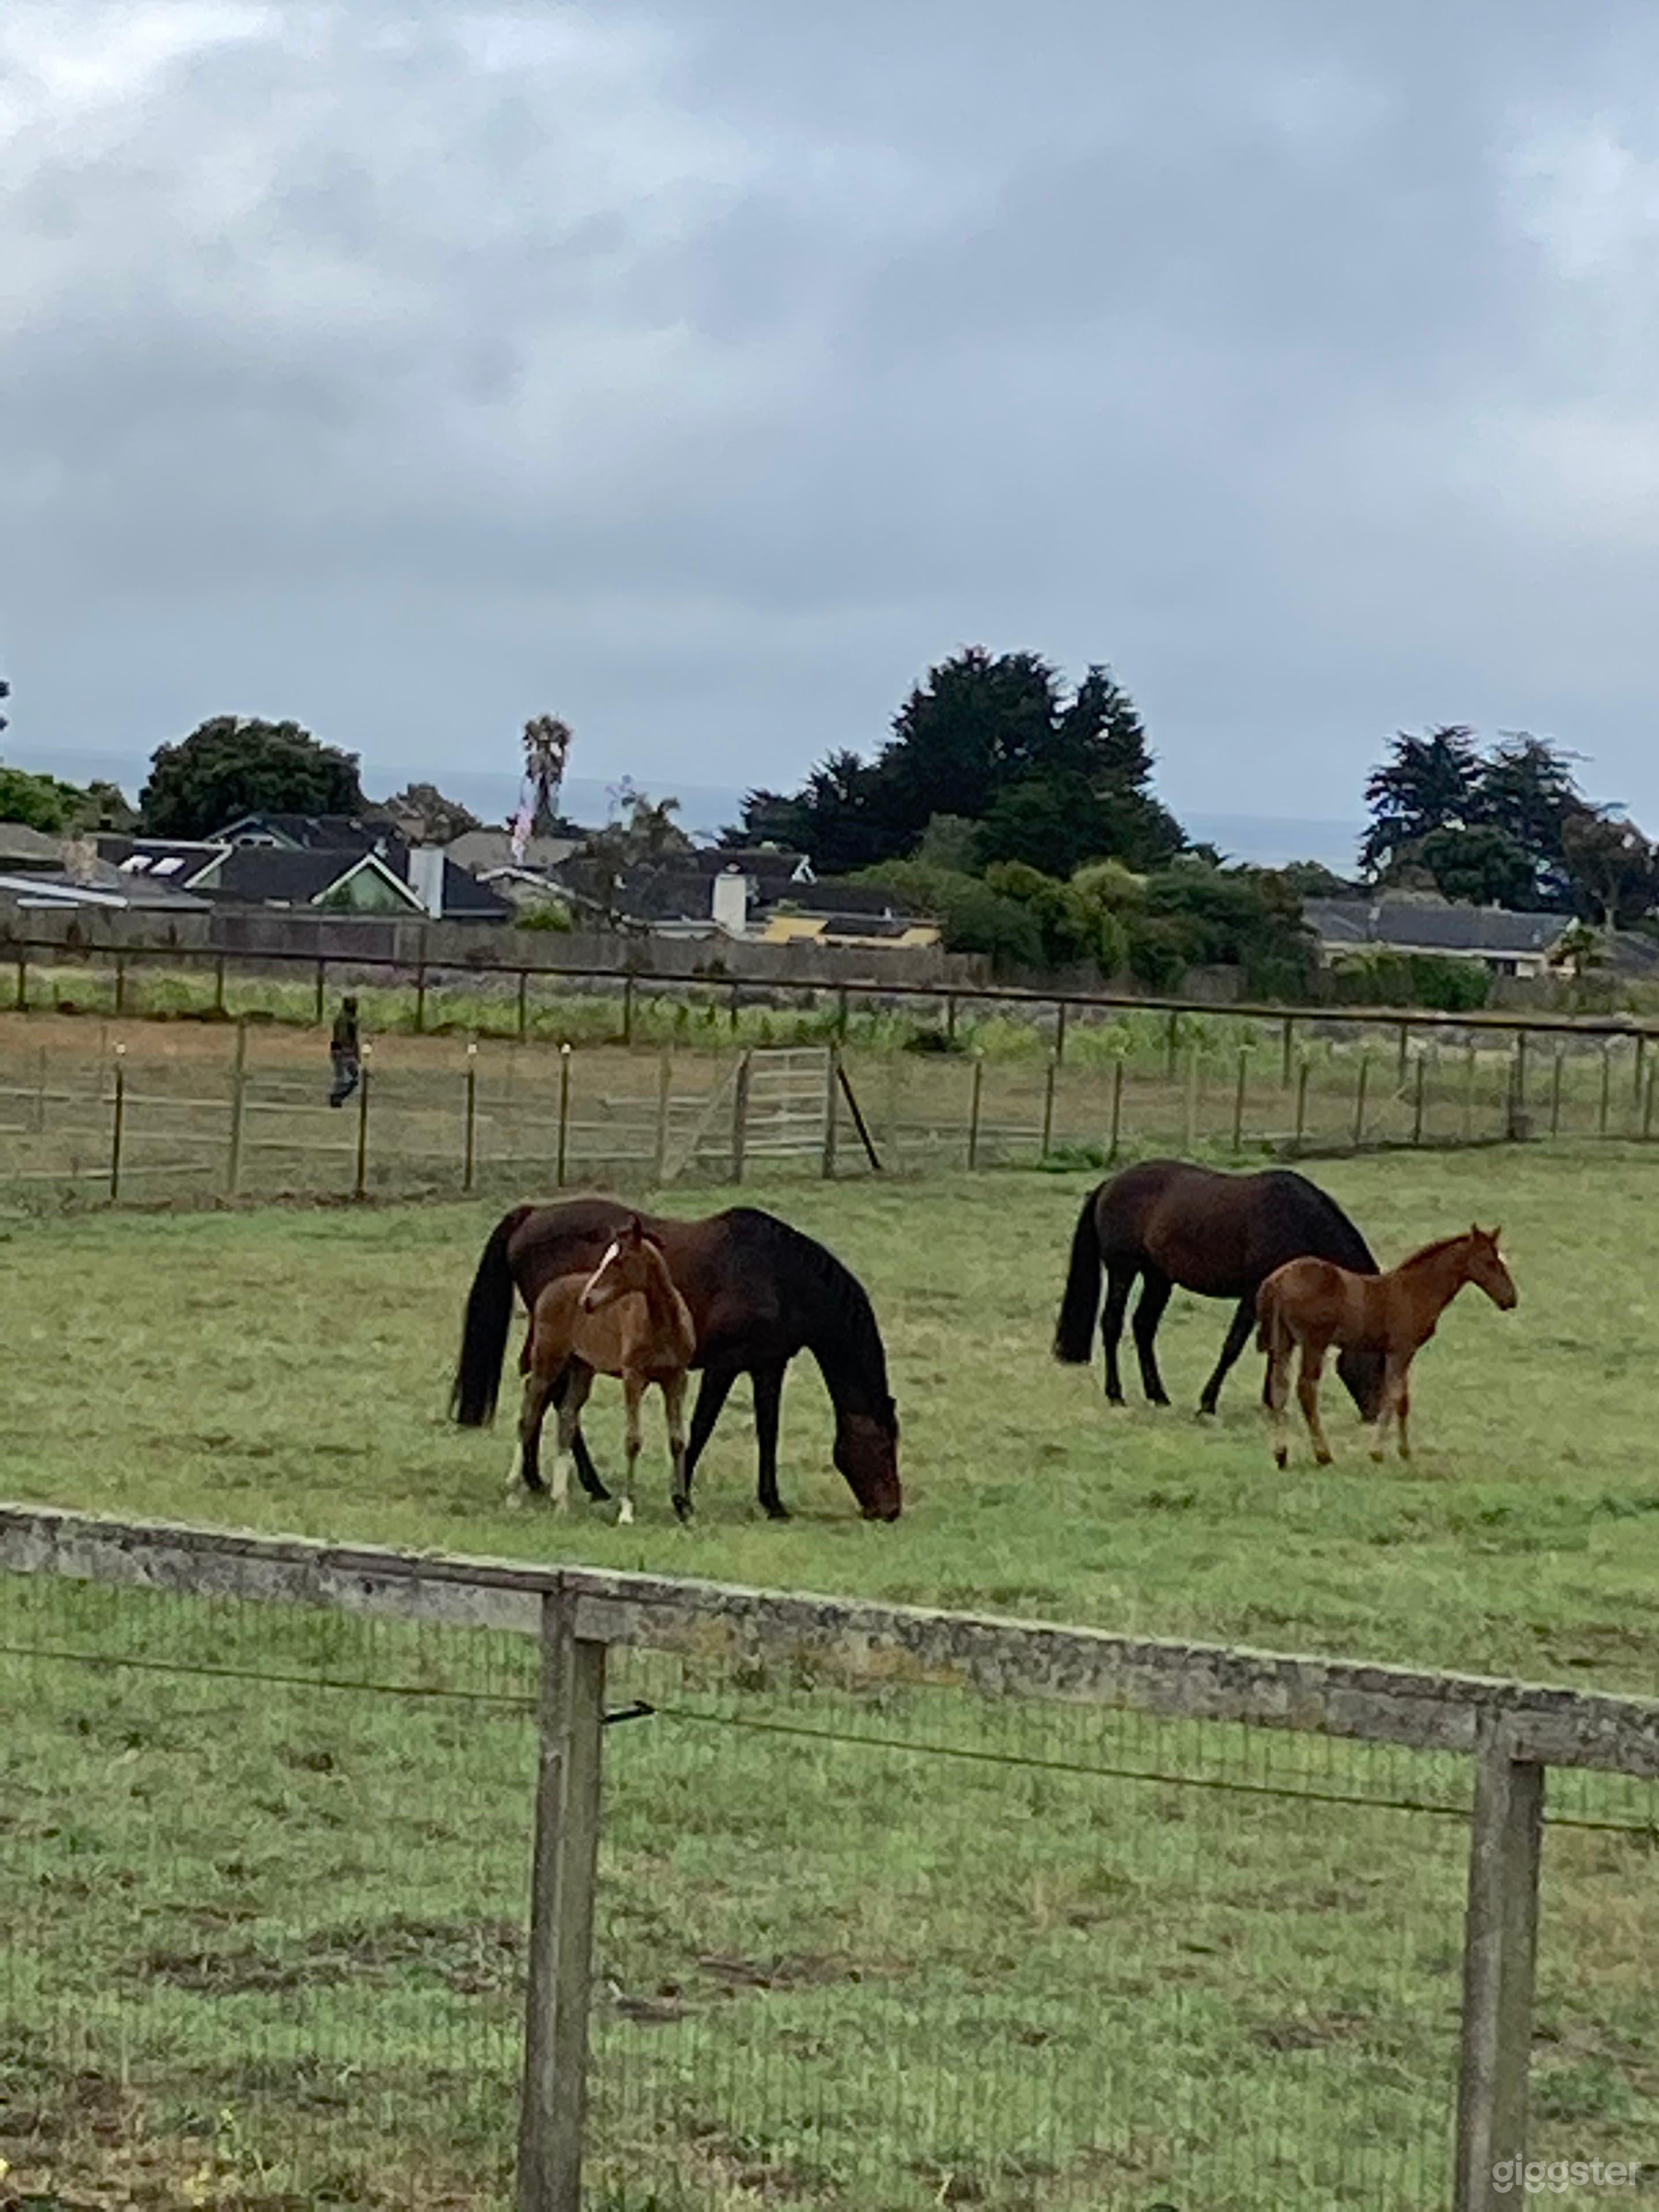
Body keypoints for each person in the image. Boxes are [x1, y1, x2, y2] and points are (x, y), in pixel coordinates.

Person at [328, 995, 362, 1107]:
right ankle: (336, 1097)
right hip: (343, 1051)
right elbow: (343, 1038)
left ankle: (337, 1097)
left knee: (352, 1078)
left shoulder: (346, 1018)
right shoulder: (346, 1019)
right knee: (345, 1078)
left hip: (342, 1051)